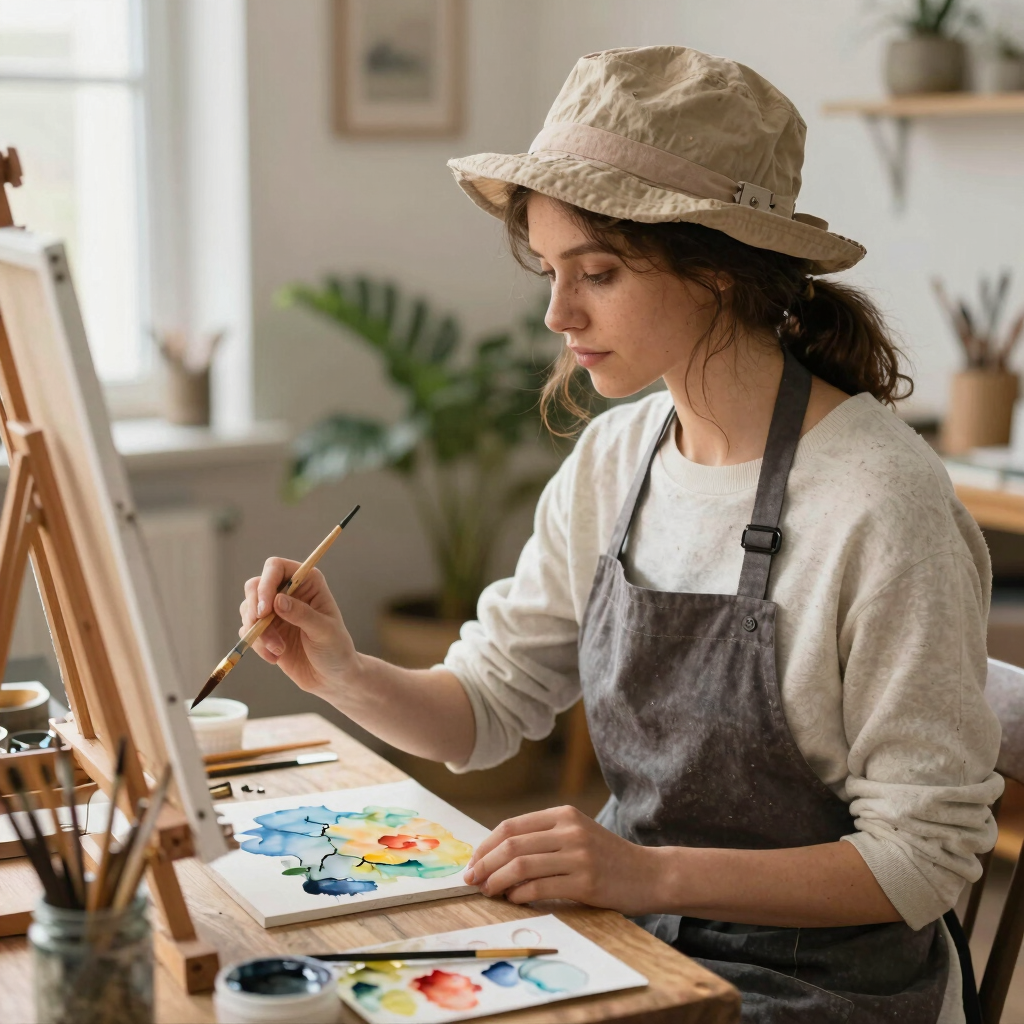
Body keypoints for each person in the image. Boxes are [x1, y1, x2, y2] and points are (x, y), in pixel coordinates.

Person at [241, 47, 1000, 1022]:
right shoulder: (620, 455)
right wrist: (342, 671)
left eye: (596, 272)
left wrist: (648, 874)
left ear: (718, 271)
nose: (558, 313)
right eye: (552, 271)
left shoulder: (880, 502)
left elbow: (920, 863)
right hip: (627, 940)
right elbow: (483, 707)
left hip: (820, 986)